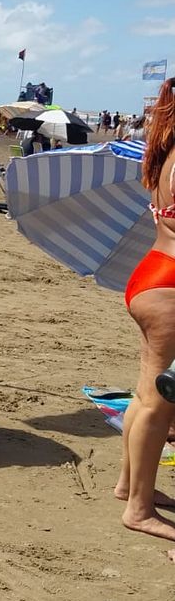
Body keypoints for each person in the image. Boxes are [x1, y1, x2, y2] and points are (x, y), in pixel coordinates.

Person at [116, 78, 175, 544]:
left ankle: (128, 486)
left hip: (152, 273)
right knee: (159, 401)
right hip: (168, 287)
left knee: (144, 392)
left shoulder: (166, 151)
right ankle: (140, 508)